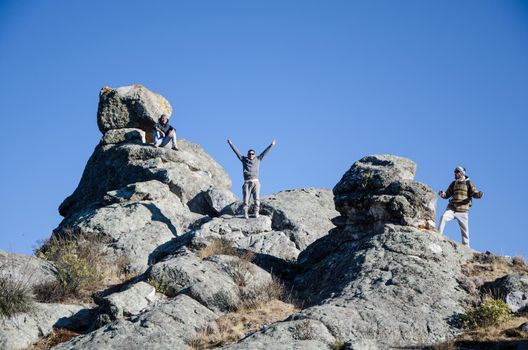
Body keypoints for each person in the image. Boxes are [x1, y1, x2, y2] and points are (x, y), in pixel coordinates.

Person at [227, 139, 276, 219]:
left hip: (255, 182)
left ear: (254, 154)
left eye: (252, 154)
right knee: (246, 199)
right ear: (247, 154)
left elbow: (265, 153)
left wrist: (272, 145)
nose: (251, 155)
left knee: (256, 198)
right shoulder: (244, 159)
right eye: (249, 154)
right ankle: (245, 213)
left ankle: (256, 212)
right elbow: (236, 152)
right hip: (247, 182)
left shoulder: (258, 159)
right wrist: (231, 144)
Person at [437, 166, 483, 247]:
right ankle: (438, 235)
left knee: (465, 230)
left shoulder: (468, 183)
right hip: (452, 208)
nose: (455, 173)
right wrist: (442, 194)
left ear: (462, 173)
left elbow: (474, 192)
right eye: (455, 171)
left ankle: (466, 247)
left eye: (457, 171)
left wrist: (479, 194)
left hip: (463, 210)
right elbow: (447, 194)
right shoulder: (454, 183)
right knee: (443, 217)